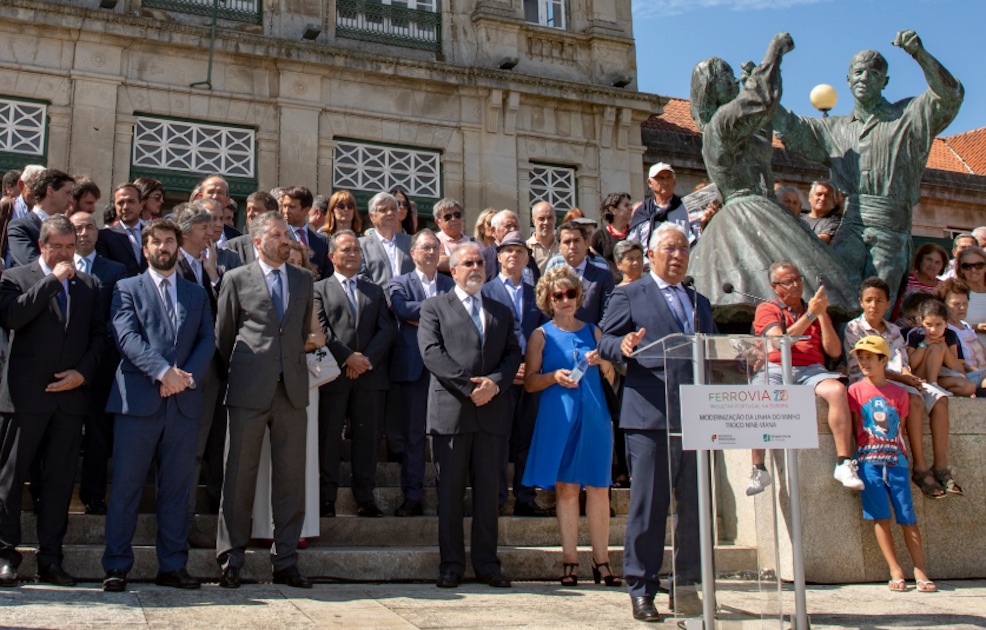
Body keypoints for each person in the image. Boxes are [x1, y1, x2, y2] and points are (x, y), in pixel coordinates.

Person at [774, 30, 964, 303]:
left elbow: (950, 95)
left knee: (877, 305)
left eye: (873, 74)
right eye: (859, 72)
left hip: (890, 227)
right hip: (852, 224)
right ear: (848, 79)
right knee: (832, 293)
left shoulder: (908, 116)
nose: (864, 78)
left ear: (884, 81)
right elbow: (791, 126)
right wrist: (759, 90)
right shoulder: (834, 129)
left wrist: (920, 54)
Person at [686, 33, 858, 317]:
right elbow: (761, 99)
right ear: (712, 87)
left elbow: (762, 123)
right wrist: (775, 51)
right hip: (745, 212)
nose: (734, 82)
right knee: (756, 285)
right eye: (726, 77)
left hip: (764, 208)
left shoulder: (732, 125)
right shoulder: (721, 122)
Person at [598, 222, 716, 621]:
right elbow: (605, 342)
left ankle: (687, 586)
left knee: (695, 509)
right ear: (650, 255)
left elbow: (715, 352)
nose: (679, 255)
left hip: (697, 417)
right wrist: (624, 345)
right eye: (670, 248)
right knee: (649, 507)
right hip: (650, 416)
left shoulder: (700, 302)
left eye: (684, 248)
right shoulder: (629, 293)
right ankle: (641, 587)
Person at [101, 219, 215, 592]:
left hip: (182, 405)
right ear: (145, 248)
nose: (164, 248)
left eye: (170, 242)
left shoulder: (195, 293)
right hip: (138, 403)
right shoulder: (125, 288)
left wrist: (183, 378)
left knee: (177, 489)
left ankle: (172, 565)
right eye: (157, 242)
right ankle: (117, 565)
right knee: (126, 487)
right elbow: (126, 336)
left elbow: (207, 340)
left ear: (178, 248)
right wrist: (163, 372)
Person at [0, 215, 105, 588]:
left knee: (59, 482)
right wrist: (52, 281)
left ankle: (51, 558)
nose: (65, 254)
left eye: (69, 247)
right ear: (42, 246)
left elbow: (98, 338)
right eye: (56, 246)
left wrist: (82, 374)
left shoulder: (90, 284)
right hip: (25, 399)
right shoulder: (15, 278)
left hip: (69, 399)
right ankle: (6, 554)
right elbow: (14, 316)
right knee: (10, 481)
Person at [214, 211, 315, 589]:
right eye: (277, 235)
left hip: (291, 392)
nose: (285, 240)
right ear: (257, 241)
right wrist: (242, 374)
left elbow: (302, 331)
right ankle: (231, 558)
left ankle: (286, 560)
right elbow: (223, 337)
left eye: (286, 234)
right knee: (239, 476)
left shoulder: (304, 280)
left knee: (291, 479)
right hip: (248, 390)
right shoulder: (236, 279)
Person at [418, 241, 522, 589]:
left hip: (491, 414)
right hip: (451, 414)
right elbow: (432, 353)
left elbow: (512, 354)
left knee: (488, 494)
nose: (476, 267)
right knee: (448, 494)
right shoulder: (435, 307)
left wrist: (494, 384)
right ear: (454, 270)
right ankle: (450, 565)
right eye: (468, 263)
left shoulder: (501, 310)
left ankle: (487, 564)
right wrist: (469, 388)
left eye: (480, 262)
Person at [523, 267, 620, 587]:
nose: (565, 300)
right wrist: (554, 377)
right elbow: (530, 382)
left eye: (571, 294)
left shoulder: (595, 331)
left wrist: (602, 361)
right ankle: (569, 560)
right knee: (565, 488)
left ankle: (602, 561)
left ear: (579, 297)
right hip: (558, 417)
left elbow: (612, 376)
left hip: (594, 415)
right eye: (558, 295)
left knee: (598, 487)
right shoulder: (541, 335)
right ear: (547, 299)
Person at [752, 261, 863, 491]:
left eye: (798, 279)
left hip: (812, 369)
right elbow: (778, 341)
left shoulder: (814, 310)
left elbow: (833, 351)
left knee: (837, 390)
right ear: (775, 287)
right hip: (775, 367)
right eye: (788, 282)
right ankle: (758, 468)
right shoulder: (767, 308)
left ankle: (844, 462)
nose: (796, 285)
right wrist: (811, 314)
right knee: (758, 394)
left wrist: (821, 315)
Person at [843, 277, 950, 501]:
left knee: (939, 399)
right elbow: (863, 367)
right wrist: (905, 379)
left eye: (879, 300)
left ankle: (941, 467)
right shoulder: (854, 328)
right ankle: (920, 468)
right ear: (861, 302)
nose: (874, 305)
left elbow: (902, 361)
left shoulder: (894, 330)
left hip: (901, 379)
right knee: (915, 401)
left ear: (888, 303)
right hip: (873, 382)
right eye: (869, 300)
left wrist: (909, 375)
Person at [315, 230, 397, 518]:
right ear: (332, 256)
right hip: (333, 378)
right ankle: (326, 498)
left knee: (368, 439)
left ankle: (365, 497)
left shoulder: (374, 290)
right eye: (346, 250)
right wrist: (347, 357)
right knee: (327, 439)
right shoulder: (319, 289)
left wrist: (365, 360)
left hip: (369, 377)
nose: (352, 254)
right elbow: (321, 330)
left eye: (356, 250)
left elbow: (387, 329)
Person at [251, 240, 327, 543]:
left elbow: (318, 338)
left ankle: (298, 528)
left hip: (301, 381)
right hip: (262, 380)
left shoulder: (307, 290)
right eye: (289, 261)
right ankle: (262, 526)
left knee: (299, 458)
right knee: (263, 455)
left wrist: (283, 346)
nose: (292, 266)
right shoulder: (263, 287)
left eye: (298, 262)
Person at [847, 336, 936, 593]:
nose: (864, 362)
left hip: (895, 461)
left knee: (907, 516)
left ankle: (920, 570)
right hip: (868, 462)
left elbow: (902, 430)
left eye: (869, 357)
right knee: (880, 517)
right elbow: (856, 428)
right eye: (860, 357)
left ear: (883, 360)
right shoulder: (854, 390)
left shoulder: (900, 393)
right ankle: (895, 569)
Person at [481, 231, 549, 517]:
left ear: (527, 257)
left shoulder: (538, 294)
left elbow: (545, 333)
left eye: (519, 251)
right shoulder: (486, 291)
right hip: (500, 375)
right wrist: (507, 370)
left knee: (527, 439)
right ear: (498, 256)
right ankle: (496, 497)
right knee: (497, 440)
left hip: (531, 376)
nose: (513, 256)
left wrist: (532, 366)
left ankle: (525, 496)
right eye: (507, 251)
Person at [388, 230, 454, 516]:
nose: (430, 252)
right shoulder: (398, 282)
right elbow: (402, 310)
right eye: (425, 247)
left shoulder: (452, 284)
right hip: (413, 371)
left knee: (446, 437)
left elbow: (459, 315)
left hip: (447, 371)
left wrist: (425, 316)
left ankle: (447, 497)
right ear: (412, 252)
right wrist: (439, 312)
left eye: (434, 248)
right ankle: (412, 495)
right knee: (414, 436)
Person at [67, 209, 128, 516]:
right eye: (78, 228)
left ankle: (93, 494)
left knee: (98, 435)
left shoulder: (114, 270)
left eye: (90, 227)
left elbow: (117, 319)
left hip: (102, 365)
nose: (84, 233)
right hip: (63, 363)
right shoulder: (58, 268)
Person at [906, 298, 975, 400]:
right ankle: (932, 385)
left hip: (942, 376)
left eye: (938, 325)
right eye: (928, 325)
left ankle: (937, 388)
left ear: (946, 323)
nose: (933, 330)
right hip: (921, 377)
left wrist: (943, 346)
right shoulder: (915, 334)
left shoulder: (950, 334)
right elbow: (912, 364)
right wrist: (924, 344)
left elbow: (952, 364)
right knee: (935, 347)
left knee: (969, 387)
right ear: (921, 321)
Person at [7, 168, 75, 267]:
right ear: (50, 191)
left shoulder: (68, 226)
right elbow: (29, 264)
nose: (71, 200)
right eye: (67, 193)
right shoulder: (20, 227)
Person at [937, 278, 986, 389]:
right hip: (967, 377)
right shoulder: (945, 330)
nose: (962, 308)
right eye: (956, 304)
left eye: (965, 303)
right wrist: (979, 372)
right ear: (943, 305)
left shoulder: (966, 326)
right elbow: (957, 365)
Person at [358, 192, 414, 288]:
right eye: (383, 210)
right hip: (378, 300)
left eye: (393, 209)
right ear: (372, 217)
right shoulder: (361, 245)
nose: (390, 213)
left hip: (409, 300)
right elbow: (360, 276)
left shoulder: (411, 242)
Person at [280, 185, 333, 280]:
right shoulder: (279, 237)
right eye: (284, 206)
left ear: (306, 210)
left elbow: (327, 277)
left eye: (292, 207)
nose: (286, 211)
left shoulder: (322, 242)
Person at [96, 183, 148, 277]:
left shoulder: (151, 233)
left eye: (131, 201)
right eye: (120, 203)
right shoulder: (105, 236)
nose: (125, 207)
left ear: (141, 205)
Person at [591, 192, 633, 282]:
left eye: (630, 205)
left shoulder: (635, 232)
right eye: (626, 205)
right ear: (613, 210)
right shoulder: (599, 236)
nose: (631, 208)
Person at [952, 246, 986, 346]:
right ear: (960, 269)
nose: (973, 269)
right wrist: (975, 328)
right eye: (967, 266)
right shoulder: (954, 292)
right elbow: (946, 324)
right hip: (966, 354)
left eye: (979, 265)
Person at [432, 198, 471, 274]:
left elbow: (483, 264)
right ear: (438, 221)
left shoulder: (474, 241)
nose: (453, 219)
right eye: (448, 217)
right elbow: (438, 262)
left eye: (457, 215)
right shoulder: (434, 239)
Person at [527, 201, 558, 273]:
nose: (546, 222)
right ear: (533, 221)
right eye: (541, 219)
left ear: (555, 220)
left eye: (550, 218)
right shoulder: (526, 248)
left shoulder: (562, 249)